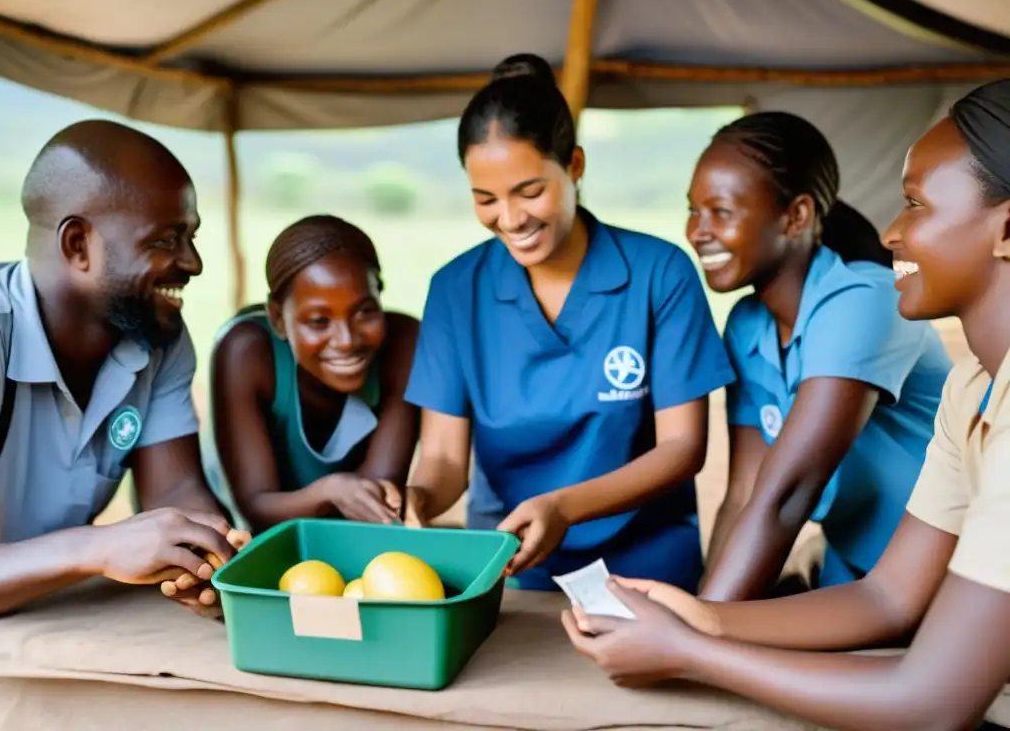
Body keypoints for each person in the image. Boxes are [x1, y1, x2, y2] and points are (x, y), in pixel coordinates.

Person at [563, 78, 1010, 731]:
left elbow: (933, 701)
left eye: (916, 205)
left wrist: (689, 651)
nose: (890, 231)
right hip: (884, 585)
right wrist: (702, 617)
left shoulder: (860, 301)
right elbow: (885, 595)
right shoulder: (975, 386)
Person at [401, 53, 736, 593]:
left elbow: (682, 448)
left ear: (575, 165)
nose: (510, 220)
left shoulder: (658, 273)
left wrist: (563, 507)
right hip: (511, 564)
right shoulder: (454, 289)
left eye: (530, 191)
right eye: (485, 199)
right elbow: (441, 457)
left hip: (646, 567)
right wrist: (418, 497)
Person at [685, 111, 952, 600]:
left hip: (948, 580)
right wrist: (701, 605)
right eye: (693, 211)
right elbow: (746, 491)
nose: (698, 231)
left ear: (797, 216)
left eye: (720, 211)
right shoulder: (747, 325)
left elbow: (790, 492)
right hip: (854, 571)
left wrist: (695, 630)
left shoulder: (863, 301)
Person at [0, 119, 245, 620]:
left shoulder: (156, 335)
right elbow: (105, 548)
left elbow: (174, 493)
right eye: (166, 240)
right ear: (78, 245)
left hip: (51, 620)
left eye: (190, 237)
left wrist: (207, 557)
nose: (193, 263)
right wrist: (98, 548)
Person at [203, 214, 420, 533]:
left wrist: (345, 494)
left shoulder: (403, 342)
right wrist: (329, 492)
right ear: (277, 318)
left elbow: (377, 504)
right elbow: (256, 508)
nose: (346, 341)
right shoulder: (247, 352)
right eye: (319, 321)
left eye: (365, 311)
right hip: (236, 536)